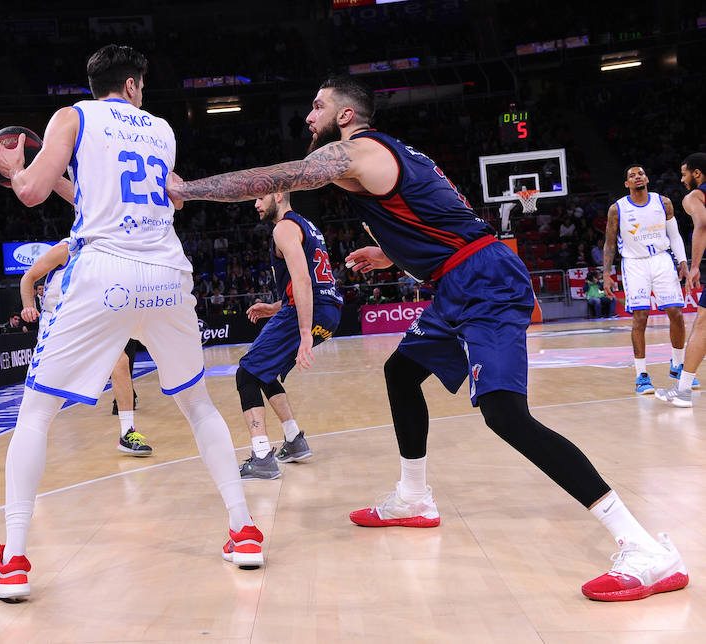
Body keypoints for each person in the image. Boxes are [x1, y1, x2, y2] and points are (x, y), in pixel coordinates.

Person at [166, 76, 688, 602]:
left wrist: (187, 190)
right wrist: (390, 255)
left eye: (317, 105)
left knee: (506, 414)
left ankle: (644, 548)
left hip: (484, 281)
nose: (308, 115)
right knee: (401, 371)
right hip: (455, 281)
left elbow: (284, 176)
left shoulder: (361, 150)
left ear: (346, 116)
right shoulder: (395, 160)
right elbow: (441, 217)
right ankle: (414, 498)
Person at [0, 44, 263, 600]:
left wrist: (17, 169)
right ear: (133, 85)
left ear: (95, 83)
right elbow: (167, 200)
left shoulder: (73, 116)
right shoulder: (160, 129)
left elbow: (32, 192)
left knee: (35, 414)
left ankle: (12, 562)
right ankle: (243, 529)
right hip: (166, 273)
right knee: (198, 403)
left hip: (103, 274)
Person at [236, 192, 342, 479]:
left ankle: (261, 457)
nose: (255, 204)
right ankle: (294, 440)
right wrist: (273, 307)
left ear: (279, 194)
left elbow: (303, 280)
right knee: (264, 373)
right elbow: (314, 283)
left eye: (260, 197)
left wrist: (305, 332)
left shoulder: (283, 227)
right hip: (330, 313)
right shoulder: (306, 226)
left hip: (309, 312)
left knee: (245, 375)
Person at [19, 239, 152, 456]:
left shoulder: (107, 253)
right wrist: (28, 306)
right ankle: (27, 433)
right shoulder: (64, 249)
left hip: (88, 322)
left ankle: (127, 433)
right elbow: (28, 278)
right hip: (58, 324)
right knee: (40, 392)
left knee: (121, 362)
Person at [603, 165, 695, 394]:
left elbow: (674, 235)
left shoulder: (662, 202)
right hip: (634, 263)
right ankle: (642, 375)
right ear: (627, 184)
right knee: (640, 317)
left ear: (647, 178)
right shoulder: (617, 209)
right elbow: (609, 243)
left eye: (641, 174)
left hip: (661, 259)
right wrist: (606, 273)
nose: (637, 177)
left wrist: (683, 262)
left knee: (676, 312)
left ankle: (678, 364)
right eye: (632, 176)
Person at [657, 152, 706, 407]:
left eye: (685, 173)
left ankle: (684, 390)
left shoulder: (694, 196)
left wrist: (695, 265)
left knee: (702, 326)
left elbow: (702, 224)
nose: (682, 178)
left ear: (697, 174)